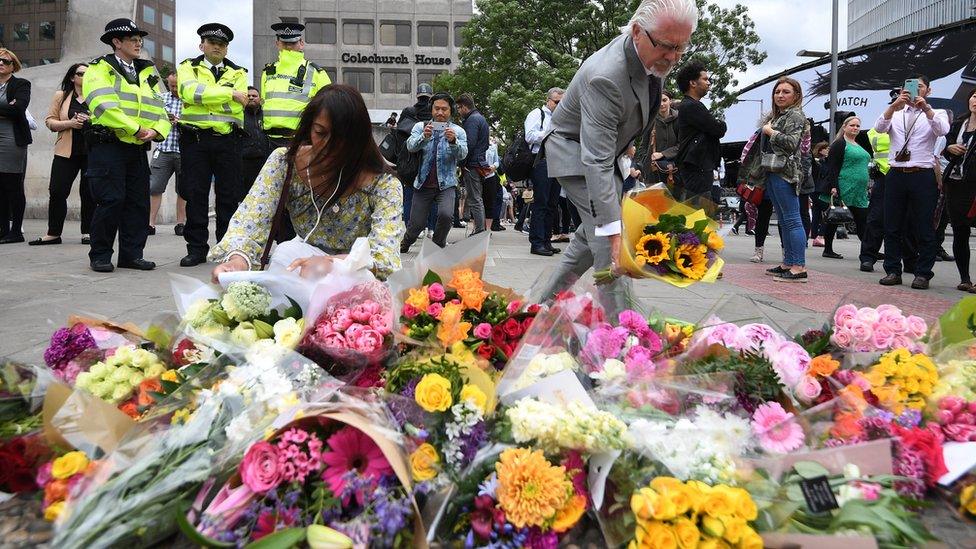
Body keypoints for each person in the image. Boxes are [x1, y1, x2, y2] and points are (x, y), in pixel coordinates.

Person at [541, 0, 698, 311]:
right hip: (575, 152)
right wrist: (615, 235)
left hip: (605, 151)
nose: (673, 57)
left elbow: (642, 107)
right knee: (611, 243)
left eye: (682, 47)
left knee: (588, 237)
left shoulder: (653, 54)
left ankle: (538, 309)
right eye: (667, 46)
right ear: (637, 31)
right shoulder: (606, 76)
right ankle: (624, 337)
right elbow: (595, 161)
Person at [210, 84, 403, 281]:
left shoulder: (384, 184)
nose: (328, 146)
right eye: (320, 133)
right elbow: (250, 221)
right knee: (285, 254)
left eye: (341, 138)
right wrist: (237, 261)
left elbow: (385, 255)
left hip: (358, 278)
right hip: (301, 267)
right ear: (309, 127)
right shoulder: (284, 163)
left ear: (359, 138)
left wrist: (335, 263)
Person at [83, 19, 171, 272]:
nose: (138, 42)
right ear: (116, 42)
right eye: (132, 39)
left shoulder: (146, 73)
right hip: (108, 144)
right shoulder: (99, 68)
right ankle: (100, 254)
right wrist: (135, 128)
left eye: (139, 39)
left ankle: (132, 255)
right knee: (111, 200)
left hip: (136, 147)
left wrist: (156, 130)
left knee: (137, 203)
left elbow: (160, 109)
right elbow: (102, 105)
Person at [176, 23, 249, 267]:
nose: (217, 47)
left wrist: (207, 95)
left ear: (226, 49)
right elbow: (189, 93)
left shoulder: (239, 72)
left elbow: (241, 103)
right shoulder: (188, 66)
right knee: (195, 194)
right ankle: (196, 249)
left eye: (222, 44)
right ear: (202, 45)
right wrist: (227, 94)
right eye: (212, 42)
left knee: (228, 197)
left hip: (228, 140)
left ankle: (225, 247)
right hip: (195, 139)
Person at [874, 75, 950, 290]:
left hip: (922, 174)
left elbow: (943, 130)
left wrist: (925, 108)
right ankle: (892, 271)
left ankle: (923, 273)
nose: (915, 90)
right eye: (909, 87)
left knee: (924, 226)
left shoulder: (937, 113)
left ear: (928, 90)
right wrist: (893, 107)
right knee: (892, 225)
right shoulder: (896, 112)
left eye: (921, 87)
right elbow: (879, 128)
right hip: (896, 173)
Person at [749, 77, 809, 282]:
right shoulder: (781, 115)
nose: (780, 95)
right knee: (784, 220)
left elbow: (791, 143)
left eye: (786, 92)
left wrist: (770, 131)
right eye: (777, 92)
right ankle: (788, 262)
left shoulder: (795, 115)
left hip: (786, 172)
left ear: (796, 96)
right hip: (774, 171)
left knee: (792, 219)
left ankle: (798, 266)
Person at [31, 63, 93, 246]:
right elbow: (50, 122)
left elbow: (107, 120)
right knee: (57, 191)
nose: (85, 76)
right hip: (66, 151)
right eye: (81, 73)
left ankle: (88, 232)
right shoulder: (62, 95)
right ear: (73, 77)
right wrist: (70, 124)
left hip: (91, 152)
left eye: (88, 74)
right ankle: (53, 233)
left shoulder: (97, 96)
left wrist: (90, 120)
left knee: (89, 193)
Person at [400, 92, 468, 252]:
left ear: (450, 111)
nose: (440, 112)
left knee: (446, 216)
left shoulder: (458, 131)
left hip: (447, 184)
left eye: (444, 109)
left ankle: (437, 245)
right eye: (436, 108)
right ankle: (406, 242)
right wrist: (424, 136)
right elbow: (410, 147)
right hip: (423, 183)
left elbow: (463, 154)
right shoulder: (420, 127)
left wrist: (453, 142)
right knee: (416, 224)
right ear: (431, 110)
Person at [261, 23, 331, 148]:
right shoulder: (268, 72)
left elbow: (329, 106)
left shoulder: (316, 72)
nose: (288, 47)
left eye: (292, 43)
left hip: (300, 141)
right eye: (284, 43)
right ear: (277, 44)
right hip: (268, 141)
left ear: (301, 43)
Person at [675, 61, 727, 207]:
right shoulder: (692, 106)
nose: (708, 83)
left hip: (698, 165)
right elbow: (717, 129)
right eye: (705, 79)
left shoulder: (690, 105)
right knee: (698, 208)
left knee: (698, 206)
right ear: (692, 83)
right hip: (697, 165)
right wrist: (721, 124)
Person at [820, 116, 871, 259]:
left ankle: (868, 250)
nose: (855, 128)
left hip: (859, 190)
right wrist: (834, 187)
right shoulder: (839, 144)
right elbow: (833, 167)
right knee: (835, 217)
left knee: (862, 220)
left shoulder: (859, 144)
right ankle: (828, 249)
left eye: (857, 126)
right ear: (844, 127)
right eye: (852, 125)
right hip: (844, 186)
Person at [942, 88, 976, 292]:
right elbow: (946, 150)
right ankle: (965, 279)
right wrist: (949, 149)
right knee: (959, 231)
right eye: (974, 96)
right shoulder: (958, 124)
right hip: (956, 184)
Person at [525, 87, 565, 256]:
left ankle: (546, 241)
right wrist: (550, 134)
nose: (559, 105)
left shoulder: (561, 117)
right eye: (557, 102)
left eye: (562, 102)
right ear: (548, 100)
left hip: (557, 161)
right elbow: (530, 136)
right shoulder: (537, 114)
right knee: (541, 202)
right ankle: (537, 242)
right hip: (541, 161)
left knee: (552, 204)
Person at [148, 71, 186, 236]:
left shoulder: (190, 101)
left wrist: (181, 121)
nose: (175, 88)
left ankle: (181, 223)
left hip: (184, 151)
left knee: (183, 190)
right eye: (172, 85)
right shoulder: (162, 99)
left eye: (177, 85)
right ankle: (150, 224)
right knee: (154, 187)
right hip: (163, 148)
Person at [0, 48, 31, 245]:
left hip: (11, 138)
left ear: (13, 65)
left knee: (12, 185)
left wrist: (12, 109)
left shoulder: (21, 84)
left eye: (5, 61)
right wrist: (7, 108)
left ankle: (16, 231)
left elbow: (19, 108)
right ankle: (3, 229)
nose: (0, 63)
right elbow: (10, 109)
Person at [396, 83, 434, 223]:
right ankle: (430, 228)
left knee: (410, 194)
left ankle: (410, 226)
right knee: (432, 195)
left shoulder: (408, 111)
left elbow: (398, 134)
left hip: (410, 159)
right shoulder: (434, 114)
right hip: (430, 158)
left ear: (417, 96)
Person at [457, 93, 490, 234]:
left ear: (464, 107)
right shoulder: (481, 119)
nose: (458, 111)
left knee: (475, 199)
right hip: (478, 163)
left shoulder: (472, 120)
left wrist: (462, 163)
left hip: (472, 165)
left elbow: (468, 145)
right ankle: (480, 229)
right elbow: (486, 144)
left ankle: (479, 230)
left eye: (459, 108)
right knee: (477, 198)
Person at [640, 90, 679, 188]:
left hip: (674, 170)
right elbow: (643, 146)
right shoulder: (650, 120)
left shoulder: (680, 119)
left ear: (670, 101)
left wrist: (662, 154)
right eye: (658, 101)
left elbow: (683, 145)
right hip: (652, 171)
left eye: (664, 100)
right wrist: (639, 166)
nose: (661, 104)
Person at [242, 85, 271, 193]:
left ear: (260, 99)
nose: (251, 97)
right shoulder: (239, 114)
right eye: (248, 95)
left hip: (263, 162)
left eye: (254, 95)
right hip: (243, 163)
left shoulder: (266, 115)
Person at [809, 141, 830, 246]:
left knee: (816, 213)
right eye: (826, 149)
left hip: (814, 190)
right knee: (827, 212)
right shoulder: (822, 162)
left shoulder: (816, 162)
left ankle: (814, 235)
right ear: (821, 150)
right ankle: (821, 235)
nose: (828, 150)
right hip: (821, 190)